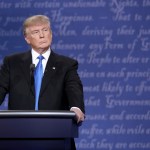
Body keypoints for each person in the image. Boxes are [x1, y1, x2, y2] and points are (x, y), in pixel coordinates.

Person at [0, 15, 85, 149]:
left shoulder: (66, 64)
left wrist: (76, 107)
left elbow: (73, 88)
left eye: (45, 30)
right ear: (27, 39)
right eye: (36, 32)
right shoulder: (12, 63)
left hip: (56, 135)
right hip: (18, 135)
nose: (42, 35)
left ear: (51, 34)